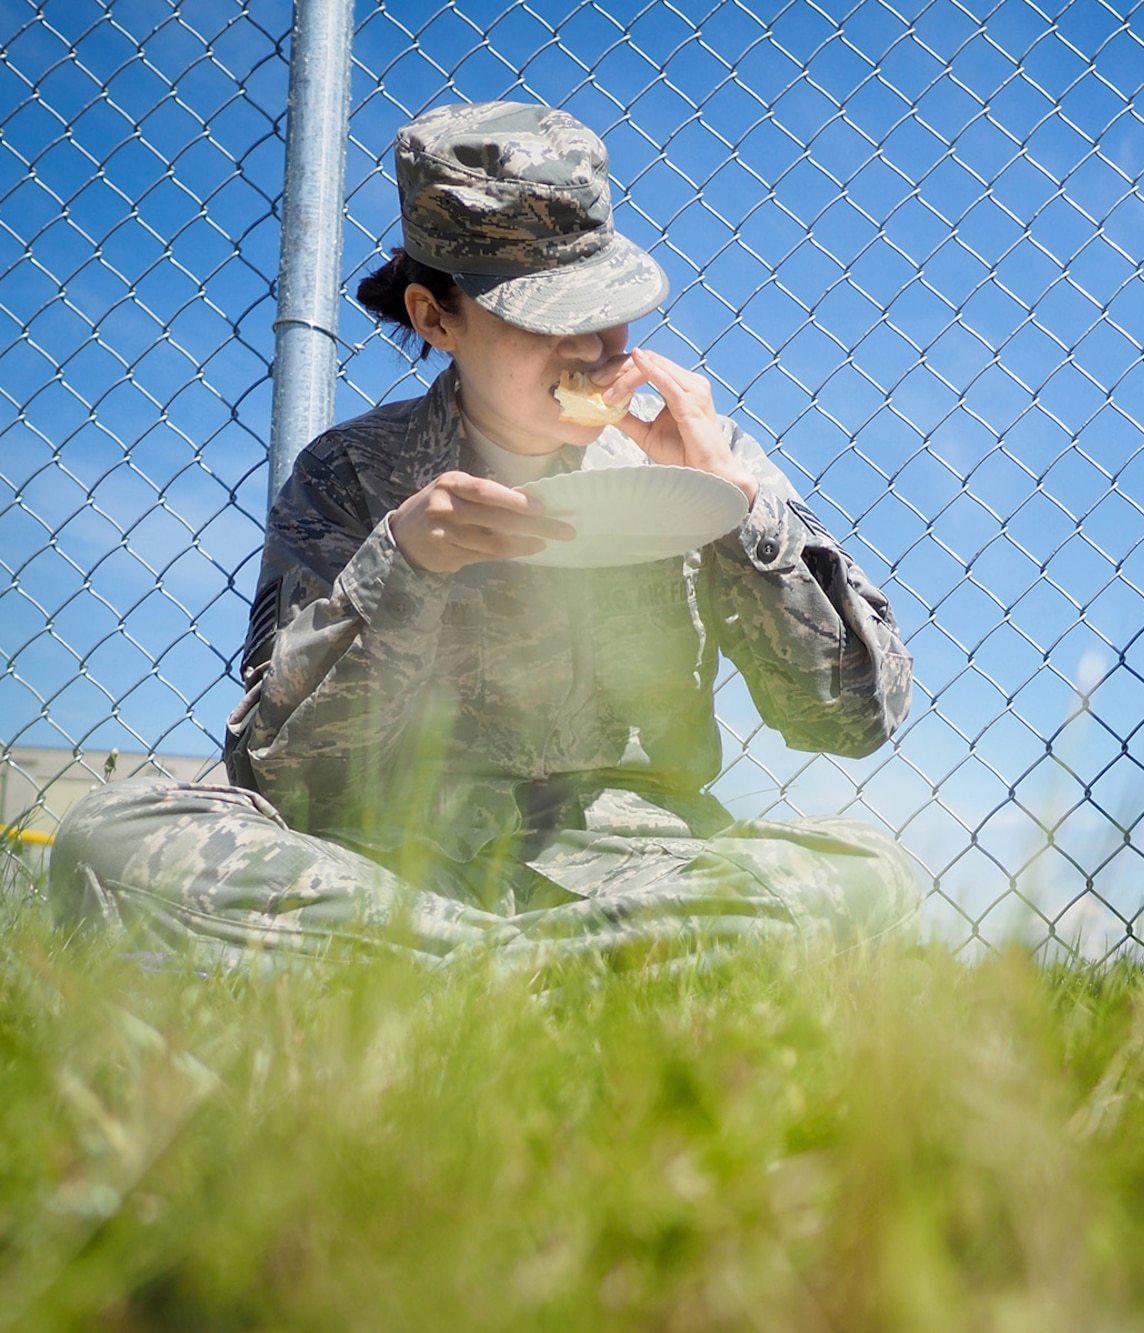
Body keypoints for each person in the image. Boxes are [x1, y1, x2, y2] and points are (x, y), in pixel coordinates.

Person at [51, 101, 919, 967]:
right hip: (388, 868)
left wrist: (743, 519)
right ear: (435, 318)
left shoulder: (703, 461)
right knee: (110, 832)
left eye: (606, 305)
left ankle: (448, 981)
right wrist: (402, 569)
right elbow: (283, 782)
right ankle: (574, 976)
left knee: (872, 872)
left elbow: (853, 719)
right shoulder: (350, 473)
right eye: (547, 314)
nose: (594, 345)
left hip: (641, 869)